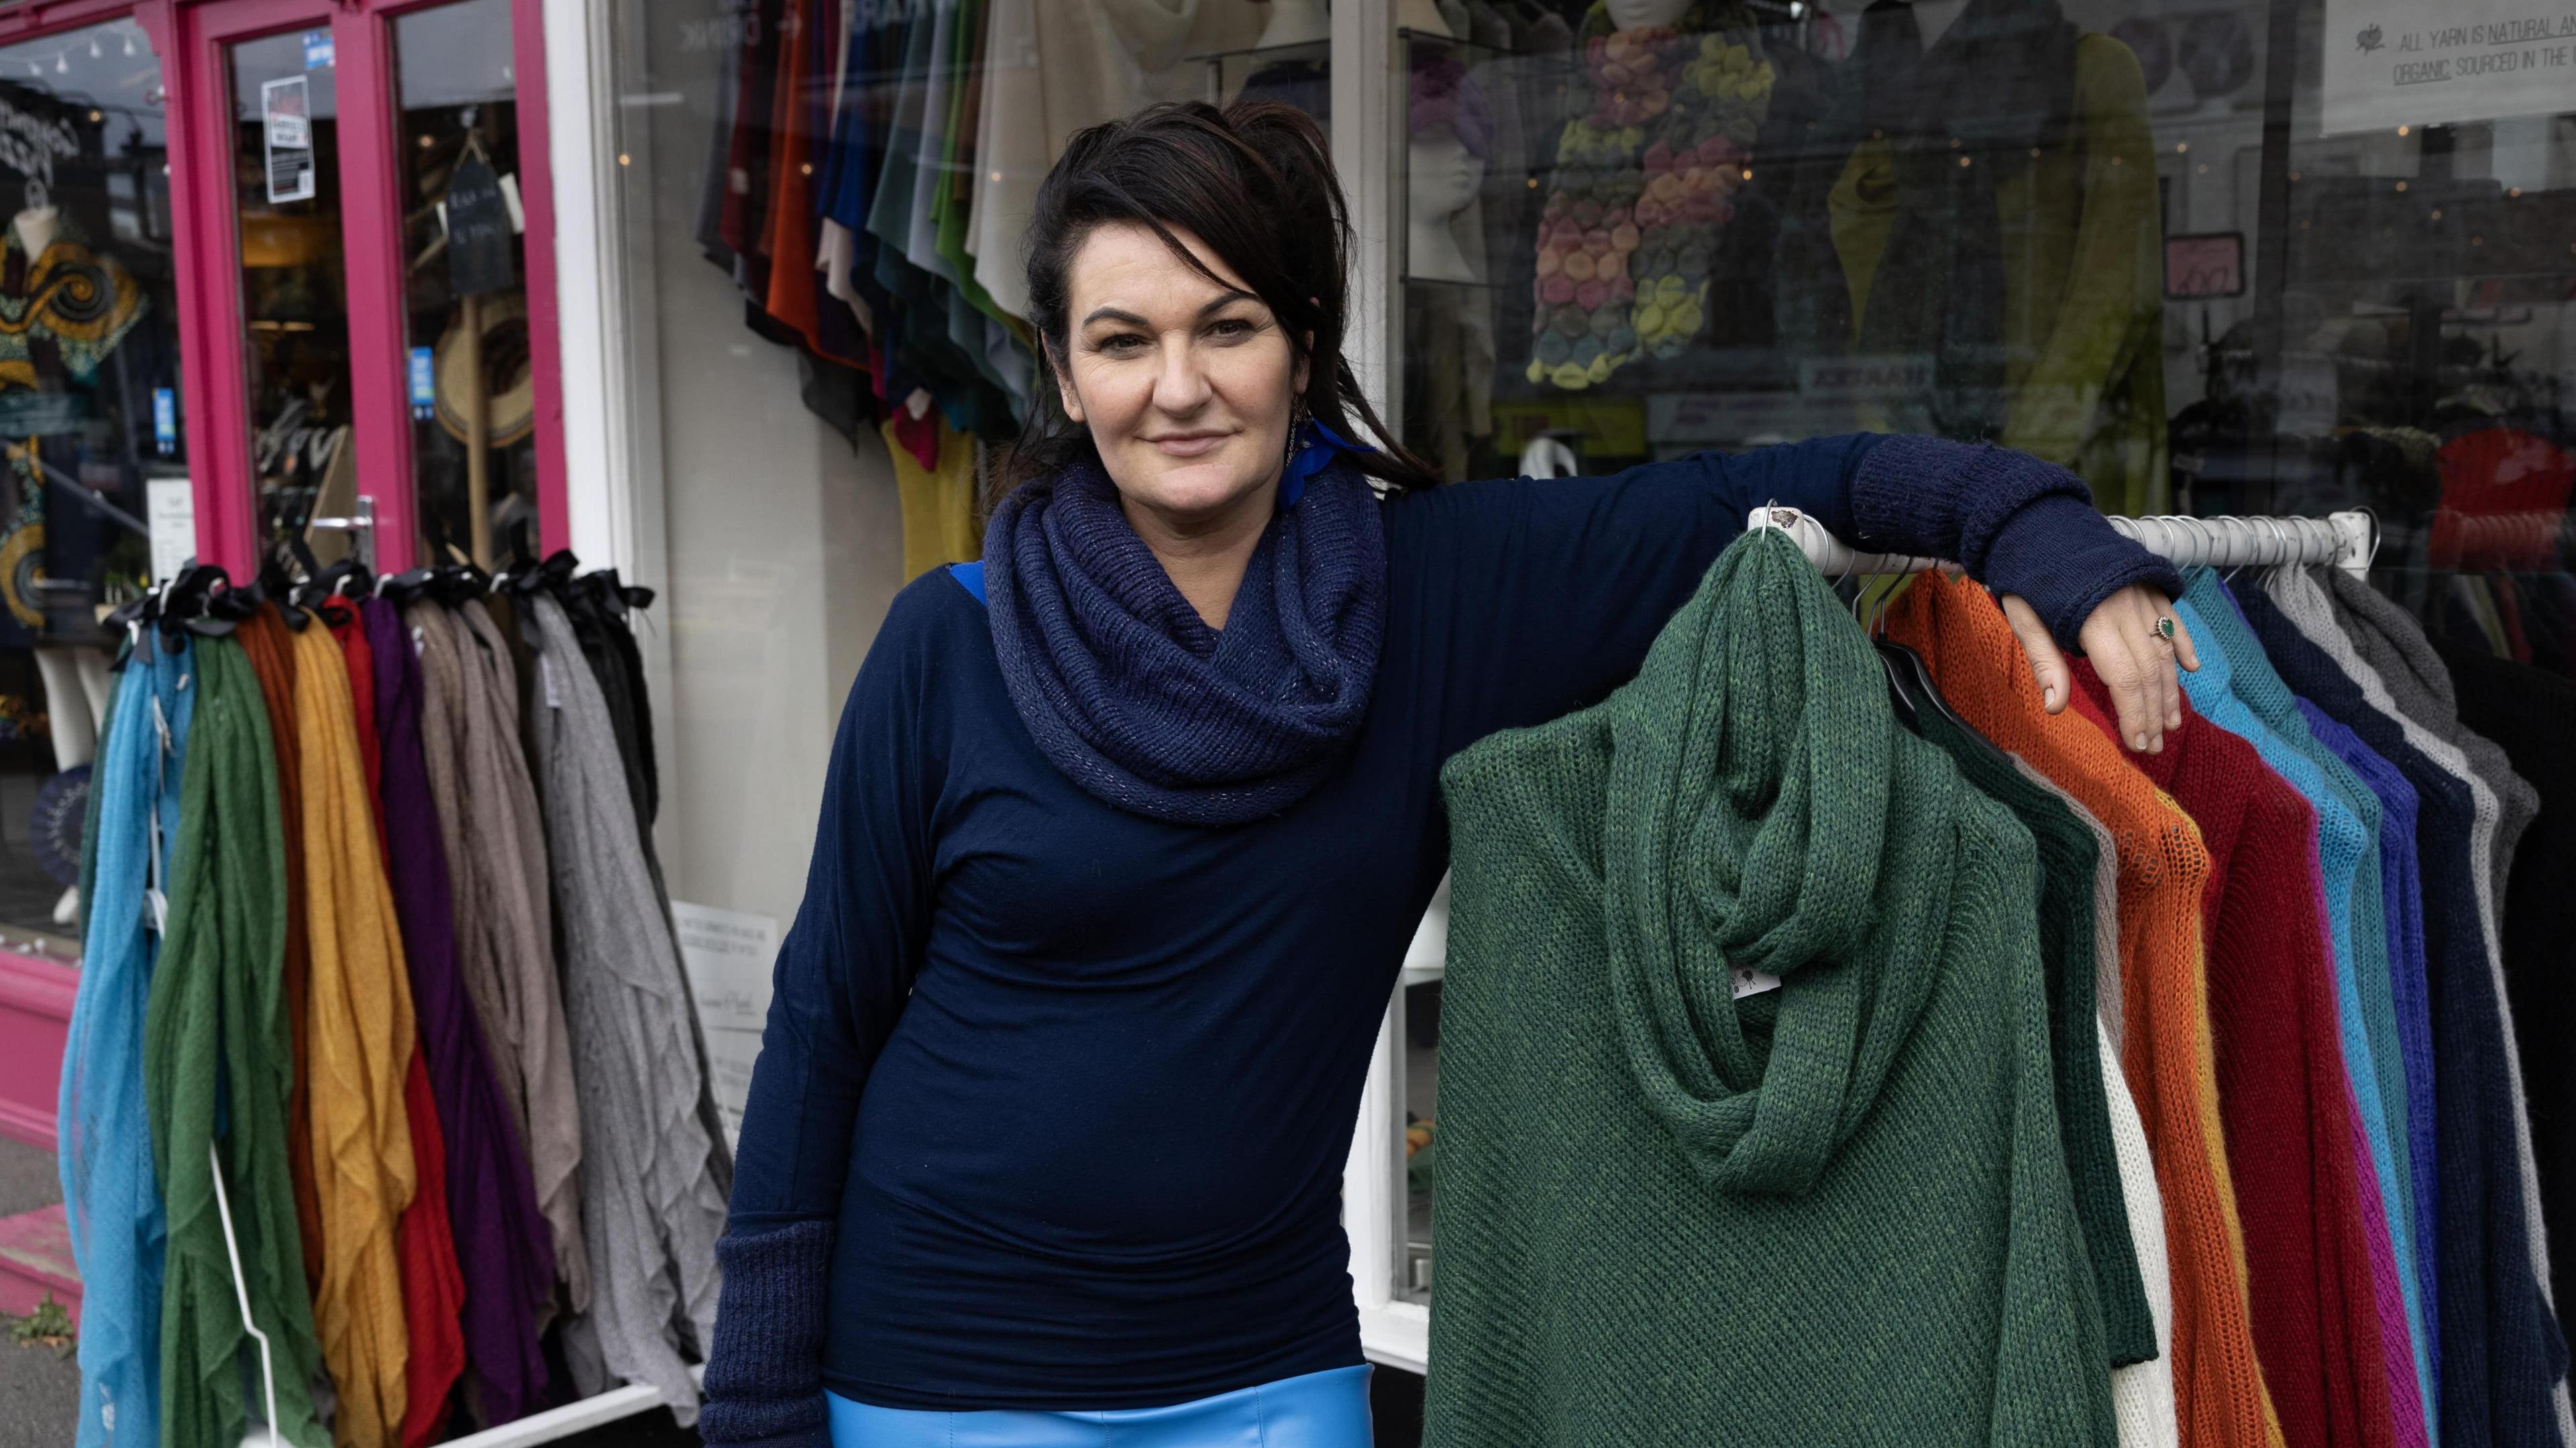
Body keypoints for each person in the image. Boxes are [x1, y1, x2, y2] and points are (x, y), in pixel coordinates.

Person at [700, 100, 2198, 1448]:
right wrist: (759, 1396)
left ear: (1300, 337)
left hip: (1262, 1371)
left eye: (1226, 327)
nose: (1179, 387)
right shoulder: (945, 648)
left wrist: (2040, 538)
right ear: (1061, 369)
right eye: (1122, 340)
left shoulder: (1433, 602)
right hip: (944, 1369)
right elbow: (826, 1020)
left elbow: (1779, 492)